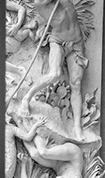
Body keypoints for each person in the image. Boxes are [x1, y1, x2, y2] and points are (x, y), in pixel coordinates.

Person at [19, 0, 88, 141]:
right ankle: (27, 98)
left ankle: (77, 127)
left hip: (76, 41)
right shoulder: (39, 3)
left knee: (76, 84)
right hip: (58, 41)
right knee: (54, 75)